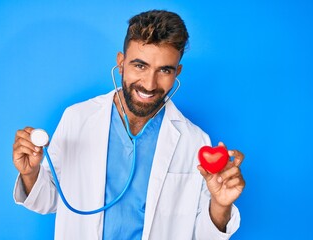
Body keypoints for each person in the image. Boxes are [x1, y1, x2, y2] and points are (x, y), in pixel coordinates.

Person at [13, 9, 245, 240]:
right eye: (140, 66)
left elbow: (203, 236)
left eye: (164, 70)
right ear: (121, 63)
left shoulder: (195, 140)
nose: (149, 84)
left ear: (177, 73)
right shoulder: (78, 118)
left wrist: (220, 205)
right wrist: (31, 173)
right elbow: (50, 201)